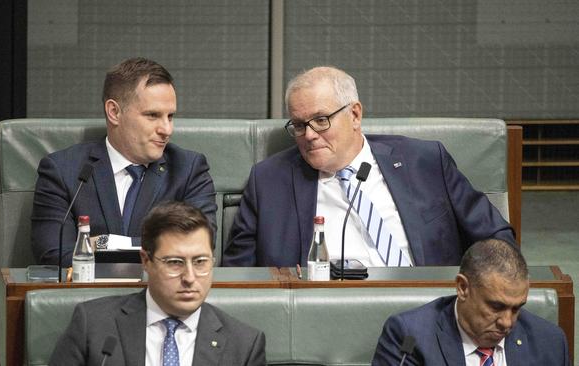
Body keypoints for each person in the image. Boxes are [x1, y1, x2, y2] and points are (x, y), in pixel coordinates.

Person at [223, 66, 514, 267]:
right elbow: (239, 273)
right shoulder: (269, 181)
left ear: (355, 115)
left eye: (321, 120)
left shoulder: (424, 161)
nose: (309, 135)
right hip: (325, 315)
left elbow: (496, 237)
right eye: (299, 125)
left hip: (428, 312)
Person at [32, 57, 217, 265]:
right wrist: (154, 249)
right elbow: (54, 255)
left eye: (170, 116)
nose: (167, 129)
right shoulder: (63, 170)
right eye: (153, 115)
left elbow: (198, 247)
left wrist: (101, 243)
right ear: (114, 112)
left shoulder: (188, 170)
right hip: (87, 296)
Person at [50, 201, 266, 365]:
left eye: (200, 262)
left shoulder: (244, 344)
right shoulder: (93, 325)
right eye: (175, 263)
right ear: (146, 261)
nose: (190, 278)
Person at [371, 239, 570, 365]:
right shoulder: (410, 337)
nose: (507, 322)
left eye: (517, 308)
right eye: (496, 307)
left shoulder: (550, 343)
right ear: (463, 288)